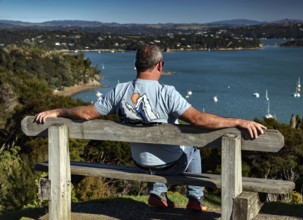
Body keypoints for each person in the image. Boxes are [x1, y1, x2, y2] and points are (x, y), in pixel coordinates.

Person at [35, 44, 266, 211]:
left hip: (139, 165)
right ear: (160, 65)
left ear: (136, 65)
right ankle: (196, 199)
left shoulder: (119, 90)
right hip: (170, 167)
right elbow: (199, 120)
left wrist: (59, 111)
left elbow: (86, 113)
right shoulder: (167, 93)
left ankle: (157, 193)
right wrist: (238, 121)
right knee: (193, 147)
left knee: (163, 148)